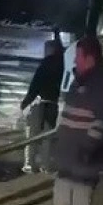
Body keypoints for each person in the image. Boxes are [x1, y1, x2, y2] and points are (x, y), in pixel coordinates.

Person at [38, 35, 103, 205]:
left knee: (81, 189)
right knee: (63, 185)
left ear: (90, 57)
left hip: (87, 150)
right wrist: (59, 140)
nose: (75, 61)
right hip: (69, 148)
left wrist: (88, 147)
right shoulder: (80, 79)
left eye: (78, 57)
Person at [21, 36, 64, 172]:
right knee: (47, 135)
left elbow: (35, 86)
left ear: (49, 50)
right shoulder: (61, 65)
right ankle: (45, 164)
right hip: (52, 104)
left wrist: (25, 103)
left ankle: (30, 163)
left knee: (32, 135)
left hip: (39, 103)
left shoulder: (44, 65)